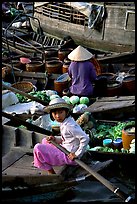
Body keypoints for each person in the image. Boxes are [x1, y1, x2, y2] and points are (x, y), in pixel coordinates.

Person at [33, 98, 89, 174]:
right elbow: (67, 139)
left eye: (60, 112)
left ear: (66, 112)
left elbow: (85, 138)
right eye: (55, 113)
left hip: (69, 156)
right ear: (51, 115)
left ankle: (50, 171)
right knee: (45, 141)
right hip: (65, 148)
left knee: (37, 148)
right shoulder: (65, 122)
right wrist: (55, 139)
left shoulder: (70, 126)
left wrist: (77, 154)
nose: (58, 116)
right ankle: (41, 161)